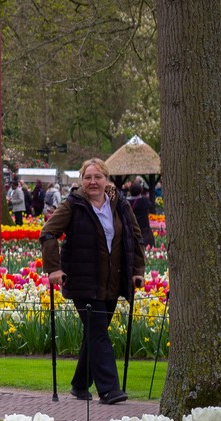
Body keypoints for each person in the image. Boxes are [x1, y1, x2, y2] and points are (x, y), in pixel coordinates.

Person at [41, 158, 145, 404]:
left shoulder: (119, 205)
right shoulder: (73, 205)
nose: (93, 182)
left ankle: (79, 385)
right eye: (88, 177)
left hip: (112, 282)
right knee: (98, 333)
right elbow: (47, 233)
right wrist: (54, 268)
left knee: (94, 333)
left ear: (106, 179)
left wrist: (137, 270)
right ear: (81, 181)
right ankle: (109, 389)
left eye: (98, 177)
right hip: (83, 282)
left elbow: (136, 237)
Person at [129, 181, 155, 248]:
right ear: (140, 190)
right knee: (146, 242)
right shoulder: (144, 200)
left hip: (132, 225)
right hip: (144, 225)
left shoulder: (127, 201)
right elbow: (150, 205)